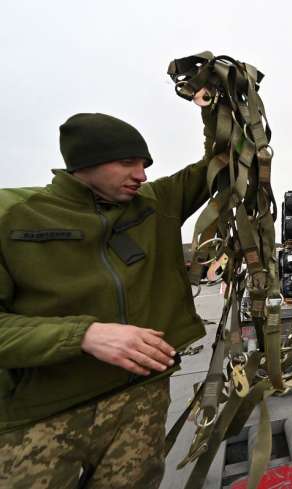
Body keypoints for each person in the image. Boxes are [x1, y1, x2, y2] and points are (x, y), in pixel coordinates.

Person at [0, 108, 212, 488]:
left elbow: (223, 162)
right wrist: (84, 334)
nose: (141, 175)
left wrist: (216, 100)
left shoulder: (156, 202)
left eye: (144, 164)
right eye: (127, 162)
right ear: (85, 162)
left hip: (142, 398)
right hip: (43, 414)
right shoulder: (13, 216)